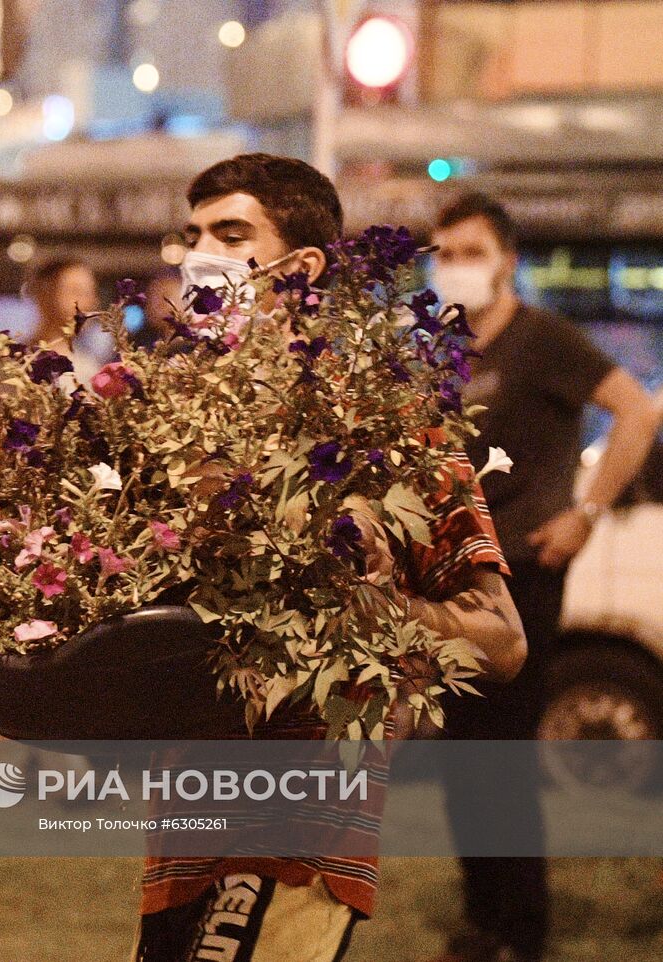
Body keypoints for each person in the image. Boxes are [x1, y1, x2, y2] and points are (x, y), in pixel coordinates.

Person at [133, 154, 529, 962]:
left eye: (231, 233)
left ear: (302, 266)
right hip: (182, 819)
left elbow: (502, 640)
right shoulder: (173, 421)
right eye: (194, 234)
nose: (202, 253)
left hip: (303, 816)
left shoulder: (387, 422)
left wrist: (362, 609)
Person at [425, 194, 661, 962]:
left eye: (468, 250)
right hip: (453, 575)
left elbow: (636, 412)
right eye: (443, 251)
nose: (453, 265)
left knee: (505, 753)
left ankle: (523, 930)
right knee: (462, 753)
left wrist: (585, 513)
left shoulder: (543, 340)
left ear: (506, 260)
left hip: (524, 570)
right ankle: (481, 917)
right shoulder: (448, 347)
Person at [25, 255, 103, 379]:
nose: (89, 303)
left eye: (90, 293)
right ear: (44, 295)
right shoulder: (17, 363)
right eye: (77, 292)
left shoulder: (87, 369)